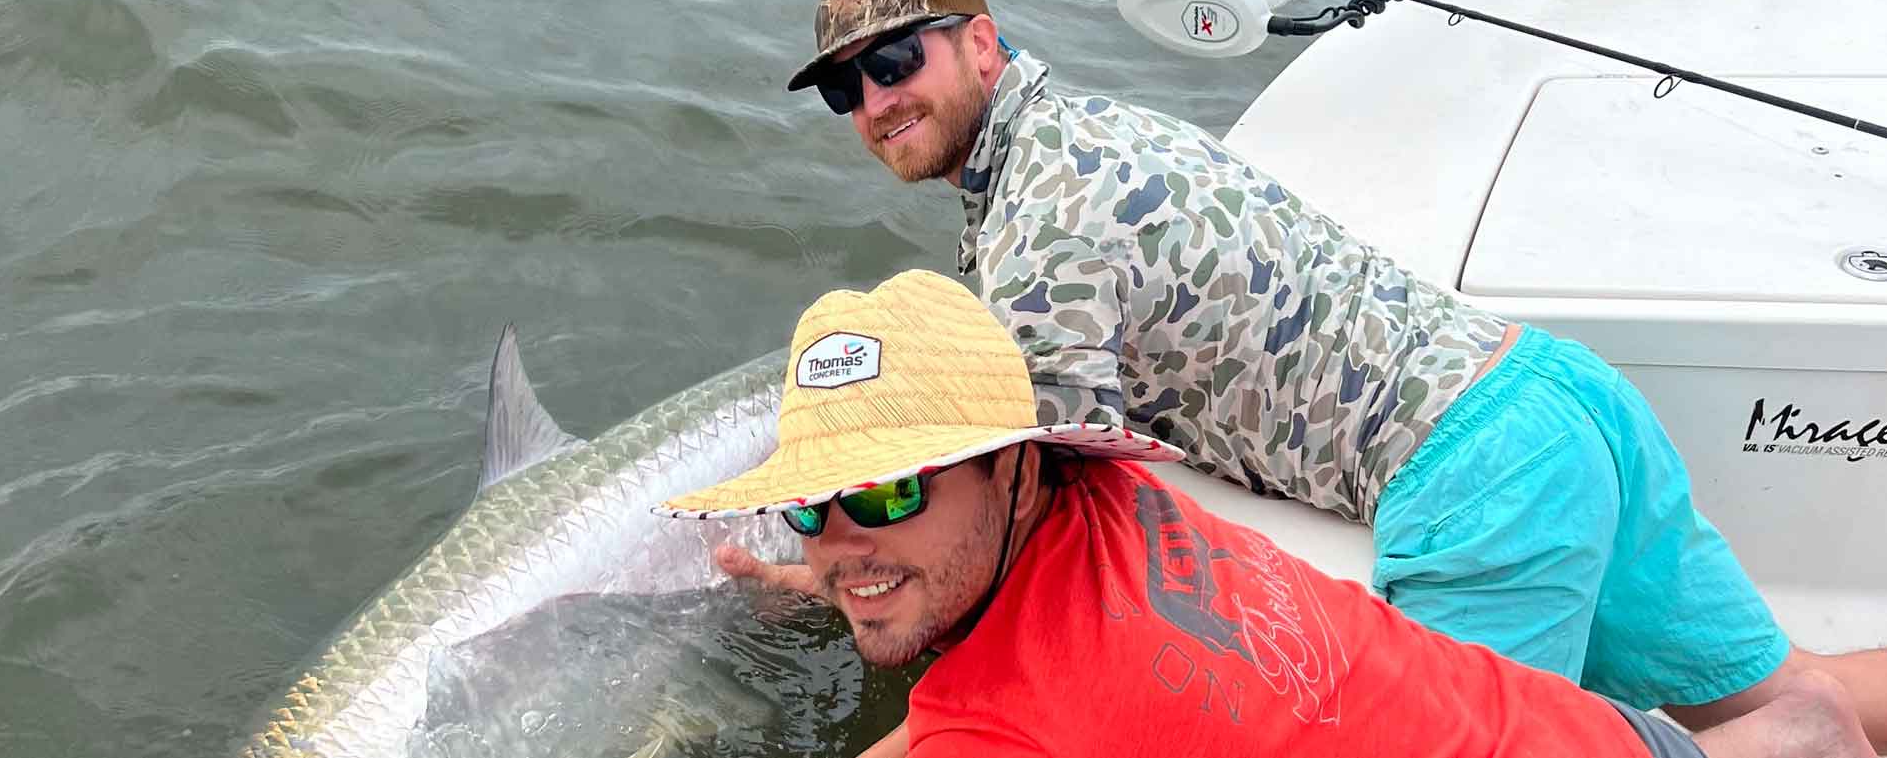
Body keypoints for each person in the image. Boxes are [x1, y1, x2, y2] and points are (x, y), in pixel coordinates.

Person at [725, 0, 1887, 750]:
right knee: (1788, 687)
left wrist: (832, 567)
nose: (874, 101)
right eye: (843, 89)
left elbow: (1024, 506)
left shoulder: (1041, 228)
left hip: (1474, 479)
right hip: (1551, 391)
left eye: (894, 63)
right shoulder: (1081, 128)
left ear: (980, 43)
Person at [655, 269, 1872, 758]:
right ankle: (1792, 724)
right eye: (809, 506)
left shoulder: (1006, 719)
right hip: (1572, 729)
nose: (837, 533)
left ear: (1019, 464)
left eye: (887, 484)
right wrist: (858, 564)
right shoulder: (1106, 497)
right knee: (1777, 695)